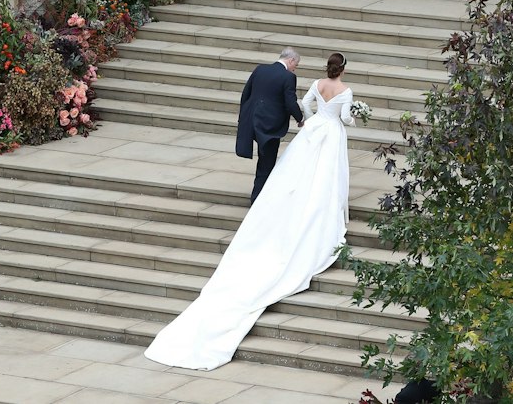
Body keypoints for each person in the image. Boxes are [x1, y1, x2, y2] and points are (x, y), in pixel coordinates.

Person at [145, 52, 359, 370]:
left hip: (313, 131)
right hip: (329, 133)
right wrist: (353, 116)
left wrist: (308, 120)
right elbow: (344, 119)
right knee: (327, 178)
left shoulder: (314, 82)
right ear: (344, 69)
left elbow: (305, 105)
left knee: (293, 174)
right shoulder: (346, 92)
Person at [235, 46, 305, 204]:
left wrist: (245, 115)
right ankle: (258, 200)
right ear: (291, 60)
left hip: (253, 120)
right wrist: (300, 119)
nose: (295, 69)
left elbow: (246, 93)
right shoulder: (288, 77)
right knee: (267, 163)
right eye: (296, 65)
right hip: (270, 126)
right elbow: (290, 102)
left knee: (263, 162)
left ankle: (260, 195)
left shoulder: (260, 69)